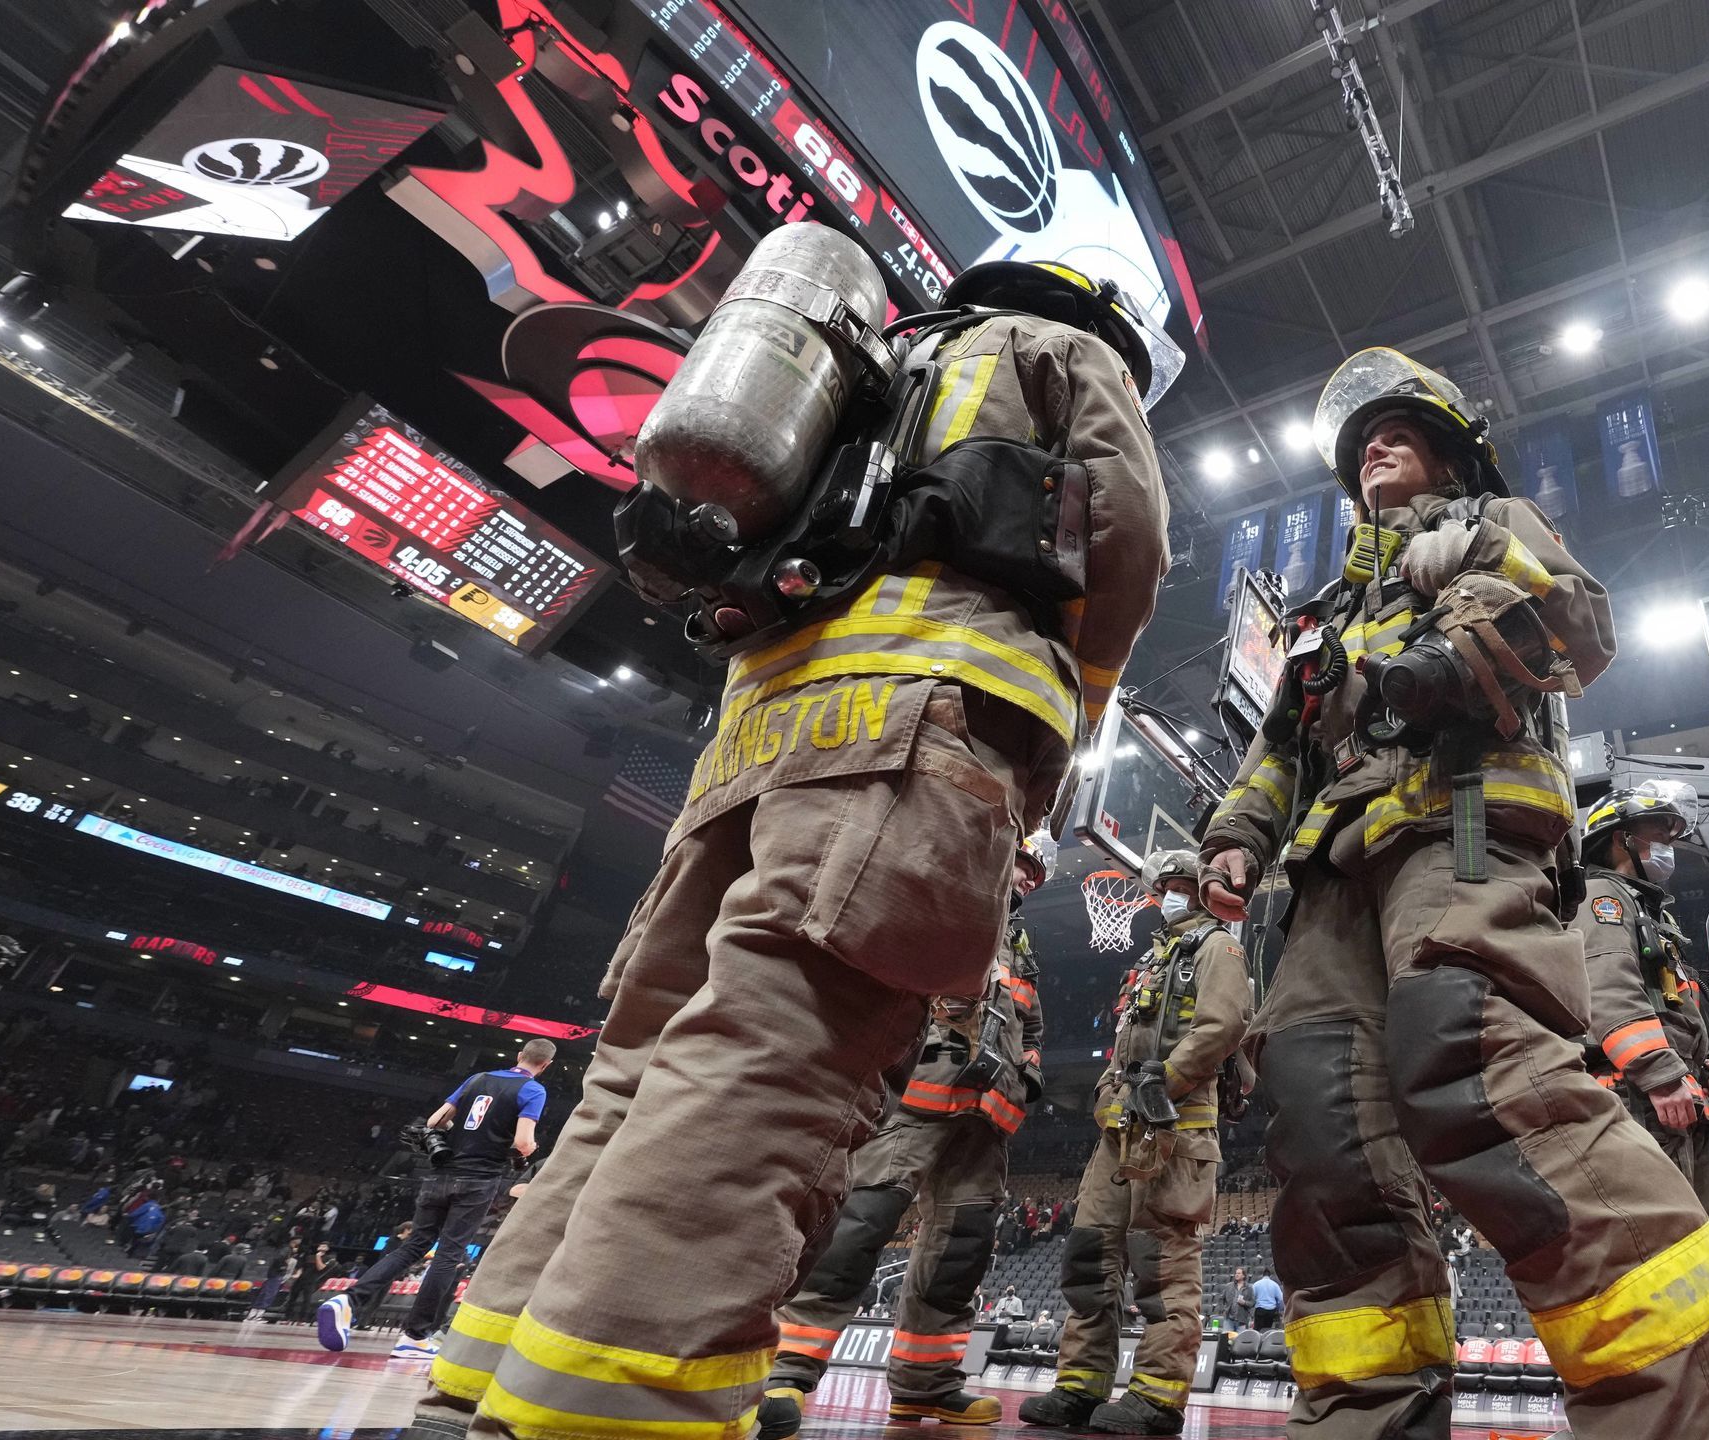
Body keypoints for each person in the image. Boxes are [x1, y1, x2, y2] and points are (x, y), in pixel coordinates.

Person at [408, 260, 1172, 1440]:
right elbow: (1128, 544)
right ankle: (619, 1413)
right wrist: (1066, 724)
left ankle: (479, 1383)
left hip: (749, 743)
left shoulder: (880, 364)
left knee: (636, 1070)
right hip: (911, 726)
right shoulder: (1064, 355)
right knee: (775, 1054)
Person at [1195, 349, 1709, 1439]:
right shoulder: (1326, 611)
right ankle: (1366, 1418)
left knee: (1480, 1076)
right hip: (1329, 875)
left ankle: (1703, 1414)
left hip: (1457, 826)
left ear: (1454, 453)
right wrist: (1235, 835)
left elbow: (1575, 619)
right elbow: (1280, 747)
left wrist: (1440, 653)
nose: (1373, 446)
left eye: (1398, 430)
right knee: (1324, 1131)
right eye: (1359, 442)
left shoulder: (1488, 523)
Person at [759, 838, 1050, 1436]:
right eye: (1021, 869)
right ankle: (784, 1368)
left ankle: (928, 1386)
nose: (1025, 881)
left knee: (961, 1251)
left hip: (986, 1119)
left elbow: (1031, 1024)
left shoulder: (1019, 945)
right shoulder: (945, 899)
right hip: (918, 1094)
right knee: (859, 1226)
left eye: (1033, 877)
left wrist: (1027, 1074)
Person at [1019, 851, 1251, 1435]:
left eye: (1179, 886)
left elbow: (1223, 1026)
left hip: (1176, 1129)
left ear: (1200, 890)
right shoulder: (1151, 959)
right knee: (1089, 1254)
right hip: (1120, 1133)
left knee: (1161, 1262)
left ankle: (1157, 1395)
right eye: (1163, 886)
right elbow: (1124, 1042)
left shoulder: (1218, 949)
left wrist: (1163, 1082)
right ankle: (1080, 1384)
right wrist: (1107, 1096)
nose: (1168, 895)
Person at [1574, 778, 1709, 1291]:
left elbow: (1678, 1008)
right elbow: (1607, 990)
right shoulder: (1601, 897)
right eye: (1659, 834)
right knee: (1671, 1252)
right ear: (1620, 839)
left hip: (1679, 1101)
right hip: (1643, 1103)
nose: (1668, 847)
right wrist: (1661, 1075)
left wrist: (1704, 1070)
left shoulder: (1651, 912)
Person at [322, 1039, 552, 1359]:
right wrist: (527, 1149)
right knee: (448, 1255)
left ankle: (348, 1300)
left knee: (413, 1246)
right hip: (478, 1180)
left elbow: (435, 1122)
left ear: (519, 1055)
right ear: (545, 1065)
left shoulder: (477, 1079)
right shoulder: (533, 1091)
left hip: (440, 1175)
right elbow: (523, 1142)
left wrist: (467, 1133)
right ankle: (415, 1337)